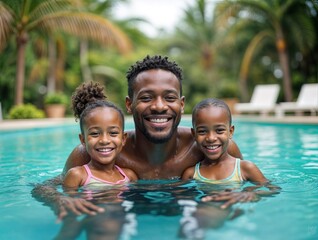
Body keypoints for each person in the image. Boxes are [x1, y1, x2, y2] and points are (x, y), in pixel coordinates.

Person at [32, 55, 243, 220]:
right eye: (146, 98)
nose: (159, 106)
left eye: (169, 98)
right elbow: (47, 187)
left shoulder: (210, 147)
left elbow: (250, 185)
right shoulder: (94, 153)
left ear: (181, 104)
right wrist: (61, 200)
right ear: (129, 104)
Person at [182, 98, 280, 207]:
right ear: (193, 134)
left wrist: (252, 194)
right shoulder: (191, 174)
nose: (211, 138)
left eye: (219, 130)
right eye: (202, 131)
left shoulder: (245, 168)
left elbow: (274, 189)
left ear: (231, 132)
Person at [63, 100, 137, 190]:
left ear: (123, 139)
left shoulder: (130, 177)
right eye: (95, 133)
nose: (104, 140)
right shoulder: (77, 176)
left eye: (113, 133)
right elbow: (67, 202)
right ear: (83, 140)